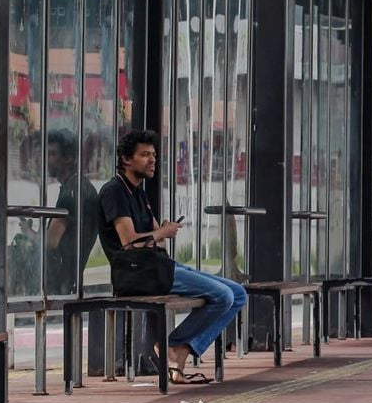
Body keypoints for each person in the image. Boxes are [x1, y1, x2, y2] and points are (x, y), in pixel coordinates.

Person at [98, 129, 246, 385]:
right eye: (144, 155)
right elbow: (129, 242)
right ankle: (174, 347)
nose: (152, 160)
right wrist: (161, 232)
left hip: (157, 266)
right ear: (126, 159)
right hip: (138, 273)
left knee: (239, 293)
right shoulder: (114, 191)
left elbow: (156, 236)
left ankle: (178, 348)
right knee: (223, 296)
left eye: (153, 155)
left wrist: (161, 231)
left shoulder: (139, 192)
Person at [45, 129, 100, 294]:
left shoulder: (71, 193)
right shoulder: (83, 187)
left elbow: (49, 243)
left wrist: (28, 234)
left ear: (68, 158)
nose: (47, 160)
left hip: (58, 279)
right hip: (71, 276)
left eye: (52, 154)